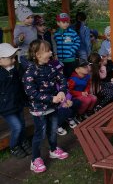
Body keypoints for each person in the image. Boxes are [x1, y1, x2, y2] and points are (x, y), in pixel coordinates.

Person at [23, 40, 69, 173]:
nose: (50, 53)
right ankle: (35, 159)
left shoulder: (51, 67)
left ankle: (53, 149)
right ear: (38, 54)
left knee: (53, 129)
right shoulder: (30, 72)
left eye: (50, 50)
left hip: (52, 107)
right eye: (47, 51)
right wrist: (51, 98)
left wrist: (62, 91)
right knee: (40, 134)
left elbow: (62, 79)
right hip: (39, 110)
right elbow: (31, 93)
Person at [0, 43, 32, 158]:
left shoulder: (15, 70)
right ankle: (14, 146)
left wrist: (25, 99)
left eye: (14, 57)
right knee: (17, 126)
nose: (14, 60)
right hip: (6, 108)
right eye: (11, 58)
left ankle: (23, 141)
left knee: (22, 125)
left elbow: (19, 86)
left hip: (17, 104)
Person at [54, 13, 81, 78]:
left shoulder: (72, 33)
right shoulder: (56, 34)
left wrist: (71, 51)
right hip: (60, 61)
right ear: (58, 23)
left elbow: (78, 41)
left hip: (70, 60)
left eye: (67, 22)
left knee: (70, 76)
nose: (66, 24)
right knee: (62, 76)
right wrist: (56, 54)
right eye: (63, 22)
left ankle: (70, 87)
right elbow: (55, 45)